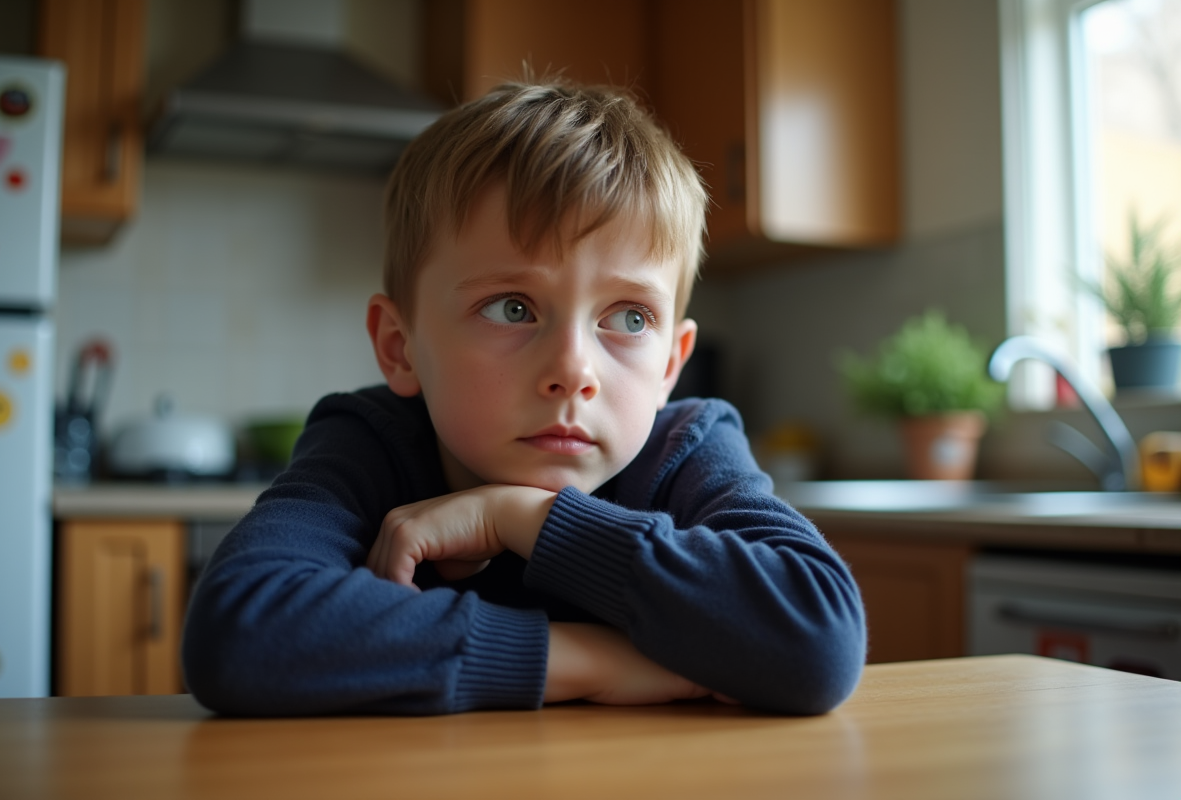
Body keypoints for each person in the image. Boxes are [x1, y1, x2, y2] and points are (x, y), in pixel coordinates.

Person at [182, 79, 866, 716]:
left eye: (629, 318)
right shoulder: (373, 440)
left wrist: (523, 518)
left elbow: (819, 639)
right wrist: (587, 662)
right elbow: (240, 631)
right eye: (512, 307)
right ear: (399, 346)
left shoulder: (685, 447)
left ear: (669, 367)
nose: (573, 370)